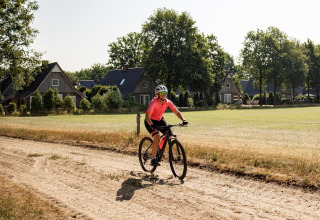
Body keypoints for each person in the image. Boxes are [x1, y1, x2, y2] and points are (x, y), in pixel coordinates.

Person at [145, 85, 188, 166]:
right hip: (150, 121)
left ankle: (160, 150)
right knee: (157, 137)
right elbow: (147, 117)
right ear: (157, 94)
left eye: (165, 93)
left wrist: (183, 120)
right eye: (162, 93)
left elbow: (176, 112)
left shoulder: (168, 102)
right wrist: (152, 125)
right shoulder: (154, 102)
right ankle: (153, 158)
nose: (164, 94)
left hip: (160, 120)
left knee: (169, 134)